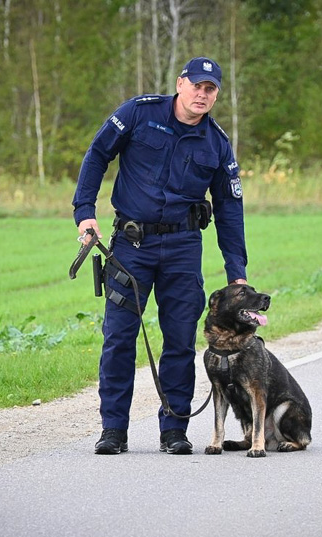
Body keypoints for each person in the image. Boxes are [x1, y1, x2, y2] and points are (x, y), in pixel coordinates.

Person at [73, 57, 247, 455]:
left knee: (181, 341)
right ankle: (113, 430)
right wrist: (85, 213)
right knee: (118, 339)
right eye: (198, 86)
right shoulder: (139, 112)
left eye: (211, 89)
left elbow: (229, 209)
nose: (203, 95)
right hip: (131, 246)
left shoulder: (217, 143)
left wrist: (237, 272)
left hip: (184, 249)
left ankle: (174, 429)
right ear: (180, 83)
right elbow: (97, 155)